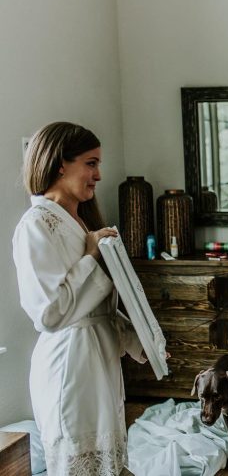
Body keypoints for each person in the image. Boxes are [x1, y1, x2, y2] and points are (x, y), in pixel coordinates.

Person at [13, 122, 147, 475]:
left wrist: (139, 337)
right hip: (70, 365)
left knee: (110, 463)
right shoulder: (36, 225)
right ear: (60, 164)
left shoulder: (80, 222)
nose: (98, 175)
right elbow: (49, 314)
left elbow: (100, 305)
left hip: (99, 360)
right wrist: (90, 257)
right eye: (91, 163)